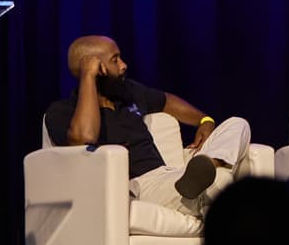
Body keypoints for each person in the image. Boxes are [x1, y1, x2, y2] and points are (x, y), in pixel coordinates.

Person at [45, 34, 251, 216]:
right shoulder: (62, 111)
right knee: (222, 181)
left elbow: (166, 101)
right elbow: (84, 138)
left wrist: (205, 120)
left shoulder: (127, 92)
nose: (124, 65)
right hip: (141, 185)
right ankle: (205, 184)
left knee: (238, 124)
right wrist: (87, 76)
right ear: (95, 67)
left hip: (171, 174)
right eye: (115, 60)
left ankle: (209, 165)